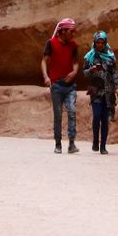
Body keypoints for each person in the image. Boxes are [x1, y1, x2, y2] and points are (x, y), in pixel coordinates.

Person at [41, 18, 79, 154]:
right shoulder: (51, 43)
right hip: (56, 85)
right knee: (58, 115)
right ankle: (58, 144)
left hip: (70, 86)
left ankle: (72, 144)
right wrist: (46, 76)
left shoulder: (73, 45)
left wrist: (74, 72)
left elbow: (75, 62)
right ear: (63, 30)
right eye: (71, 31)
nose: (73, 34)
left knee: (72, 112)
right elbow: (44, 61)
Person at [83, 30, 118, 154]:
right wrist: (91, 70)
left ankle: (103, 146)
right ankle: (95, 140)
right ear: (94, 42)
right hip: (95, 91)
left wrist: (117, 87)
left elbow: (114, 72)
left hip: (108, 92)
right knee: (97, 115)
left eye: (102, 42)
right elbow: (84, 72)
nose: (99, 44)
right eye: (97, 42)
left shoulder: (110, 56)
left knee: (105, 119)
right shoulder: (90, 56)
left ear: (105, 42)